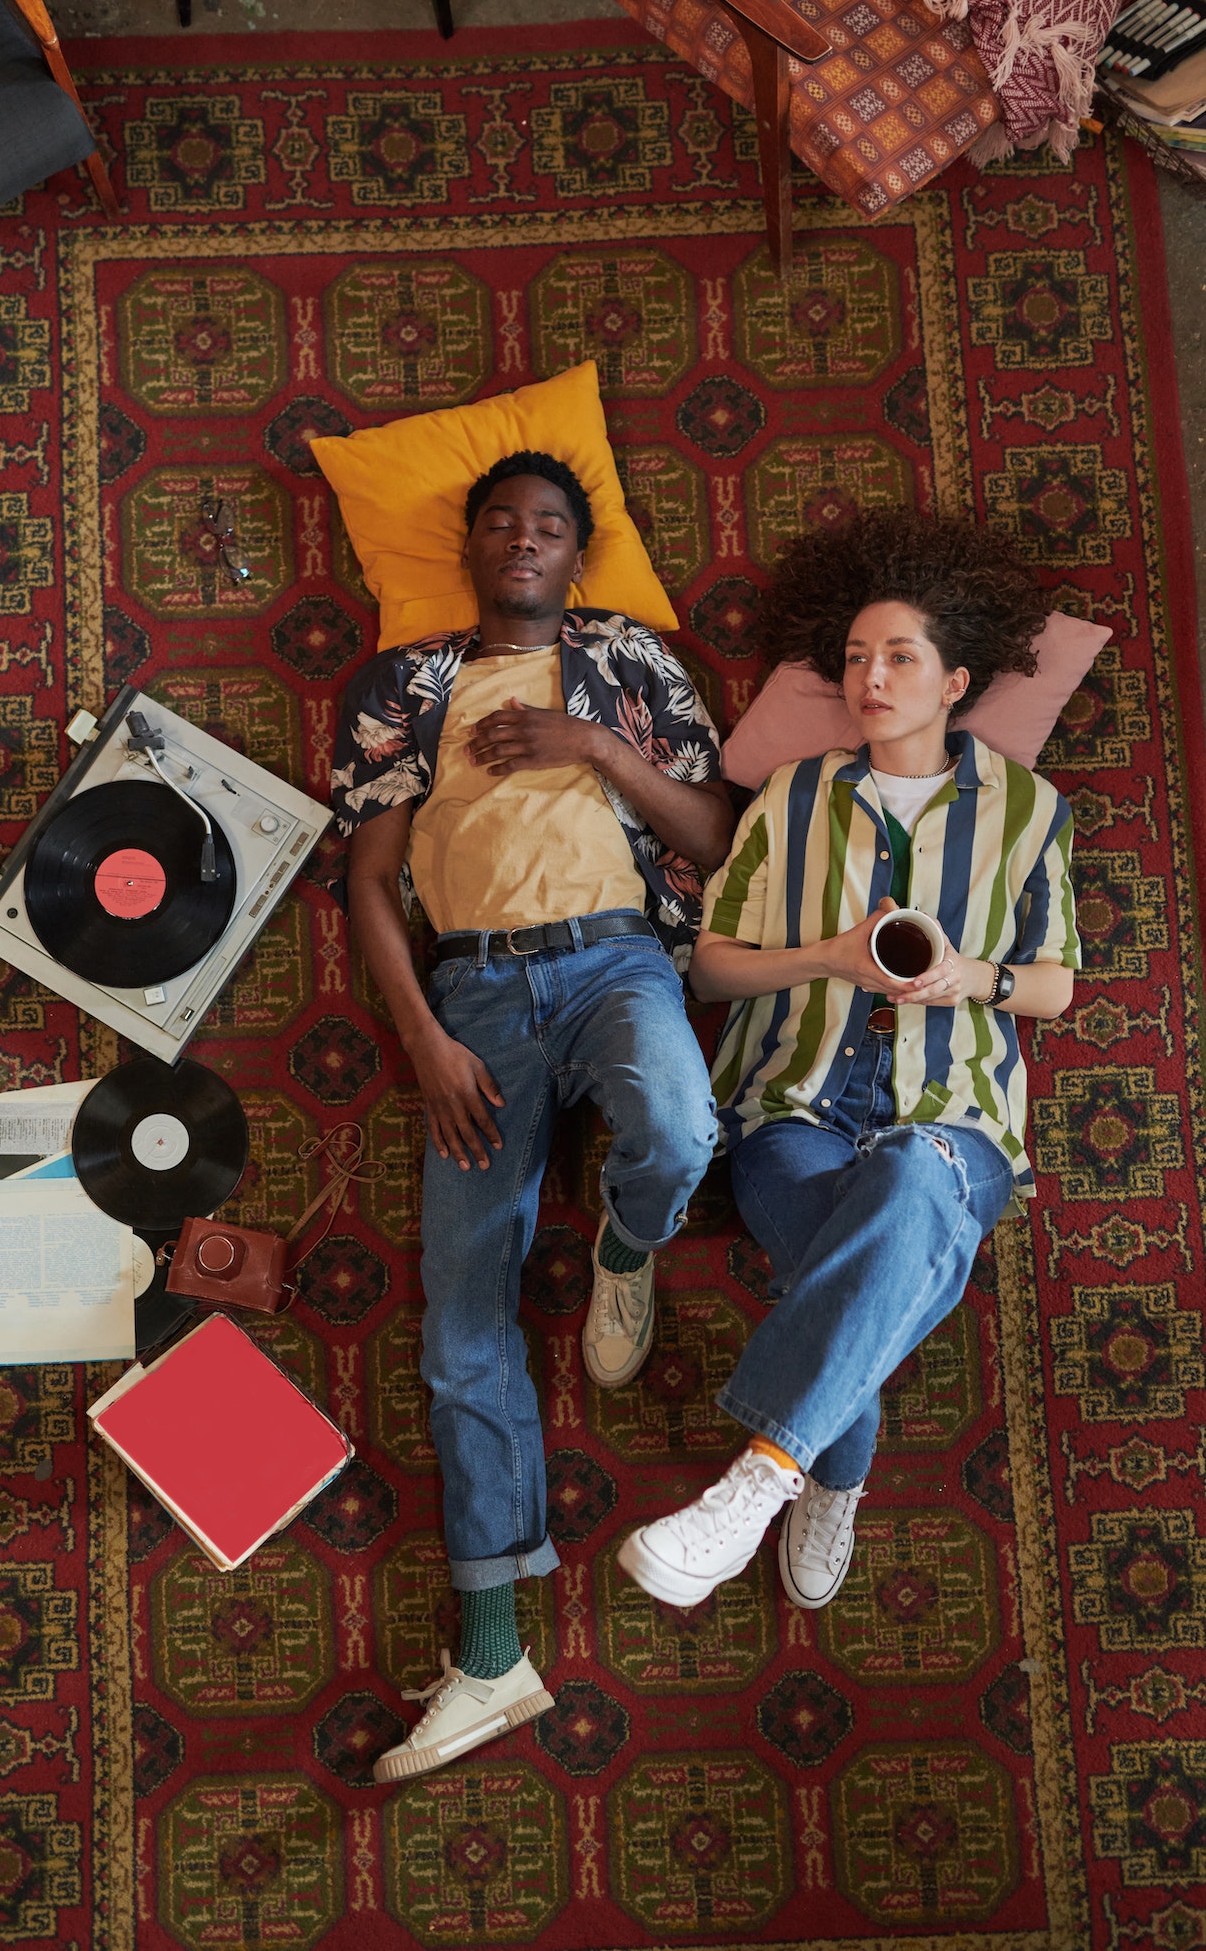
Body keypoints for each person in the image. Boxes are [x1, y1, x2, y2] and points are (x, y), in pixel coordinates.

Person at [330, 450, 733, 1780]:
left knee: (680, 1135)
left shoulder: (629, 662)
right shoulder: (406, 685)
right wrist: (428, 1040)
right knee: (459, 1323)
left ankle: (625, 1245)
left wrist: (594, 744)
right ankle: (493, 1656)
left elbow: (718, 838)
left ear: (577, 551)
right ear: (470, 546)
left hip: (619, 960)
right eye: (500, 520)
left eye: (549, 525)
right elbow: (372, 884)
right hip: (480, 999)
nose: (522, 538)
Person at [618, 506, 1080, 1614]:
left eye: (900, 656)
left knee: (915, 1180)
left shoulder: (1025, 808)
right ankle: (834, 1465)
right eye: (857, 657)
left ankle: (757, 1481)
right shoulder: (793, 797)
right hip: (795, 1110)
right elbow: (714, 970)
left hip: (953, 1116)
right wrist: (829, 955)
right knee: (863, 1263)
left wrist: (965, 977)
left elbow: (1056, 983)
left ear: (954, 681)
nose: (871, 675)